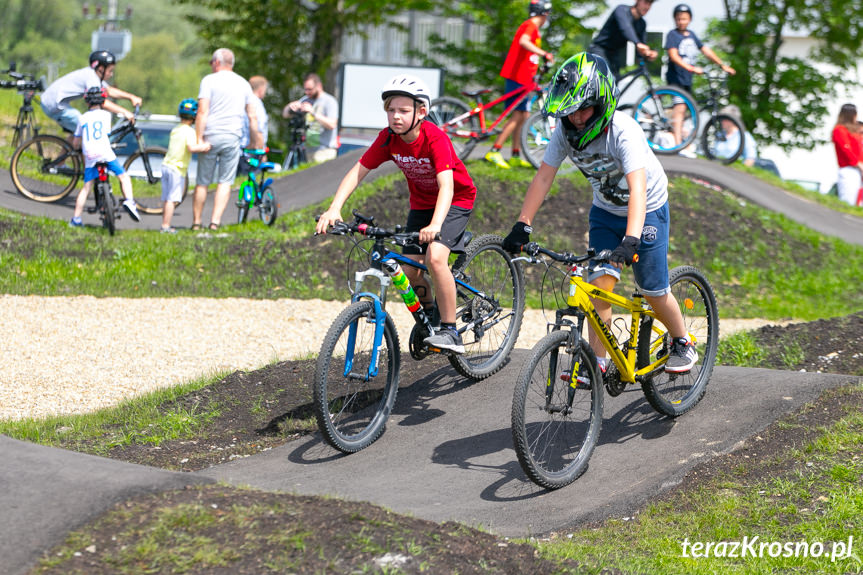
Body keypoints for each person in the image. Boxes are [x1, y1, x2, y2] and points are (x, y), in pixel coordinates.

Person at [502, 52, 697, 373]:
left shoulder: (623, 131)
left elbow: (638, 189)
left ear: (602, 101)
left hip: (647, 209)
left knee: (652, 288)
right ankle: (600, 361)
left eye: (583, 109)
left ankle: (682, 341)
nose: (576, 118)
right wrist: (523, 224)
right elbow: (544, 176)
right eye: (569, 112)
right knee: (598, 286)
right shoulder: (564, 132)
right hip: (605, 212)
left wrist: (632, 238)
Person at [315, 74, 477, 354]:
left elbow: (447, 186)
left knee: (436, 258)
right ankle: (432, 320)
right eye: (391, 110)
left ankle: (451, 333)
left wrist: (437, 224)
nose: (396, 116)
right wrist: (334, 208)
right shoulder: (388, 138)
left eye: (403, 111)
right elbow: (358, 171)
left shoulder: (434, 138)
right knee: (409, 271)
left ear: (421, 112)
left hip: (454, 201)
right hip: (421, 204)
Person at [192, 48, 263, 231]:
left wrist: (199, 139)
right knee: (225, 181)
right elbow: (252, 116)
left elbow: (202, 111)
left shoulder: (209, 81)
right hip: (233, 136)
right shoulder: (244, 84)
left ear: (216, 62)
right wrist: (255, 142)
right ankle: (215, 222)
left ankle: (197, 223)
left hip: (211, 136)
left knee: (202, 182)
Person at [484, 0, 554, 169]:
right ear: (544, 14)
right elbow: (523, 41)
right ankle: (494, 150)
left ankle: (515, 154)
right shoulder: (530, 25)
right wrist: (544, 53)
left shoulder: (534, 29)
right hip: (517, 77)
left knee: (523, 116)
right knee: (516, 116)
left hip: (524, 79)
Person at [665, 3, 735, 151]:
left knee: (686, 110)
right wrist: (691, 68)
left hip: (687, 80)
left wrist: (722, 65)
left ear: (689, 19)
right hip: (675, 78)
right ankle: (679, 145)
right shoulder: (673, 35)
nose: (681, 22)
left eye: (684, 19)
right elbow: (673, 56)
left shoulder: (692, 35)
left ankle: (683, 143)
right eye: (678, 19)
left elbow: (706, 51)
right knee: (680, 108)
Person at [69, 88, 141, 227]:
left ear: (87, 102)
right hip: (105, 152)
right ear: (102, 101)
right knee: (123, 177)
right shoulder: (106, 116)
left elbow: (76, 141)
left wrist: (77, 147)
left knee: (86, 188)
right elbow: (106, 133)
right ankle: (129, 202)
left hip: (90, 155)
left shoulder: (82, 118)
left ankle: (76, 219)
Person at [41, 51, 142, 136]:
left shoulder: (93, 75)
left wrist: (131, 97)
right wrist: (125, 112)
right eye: (110, 71)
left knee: (77, 135)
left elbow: (109, 91)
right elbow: (101, 102)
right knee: (87, 129)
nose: (111, 74)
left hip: (54, 102)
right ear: (101, 69)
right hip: (54, 104)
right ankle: (87, 159)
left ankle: (62, 159)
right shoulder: (92, 78)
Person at [159, 99, 211, 233]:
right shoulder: (189, 131)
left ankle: (165, 223)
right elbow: (191, 148)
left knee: (166, 198)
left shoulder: (176, 129)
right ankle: (165, 226)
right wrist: (204, 146)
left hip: (166, 165)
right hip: (177, 169)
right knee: (172, 199)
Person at [588, 0, 658, 79]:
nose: (647, 7)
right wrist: (638, 43)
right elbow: (625, 28)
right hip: (600, 49)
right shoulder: (621, 10)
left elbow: (642, 47)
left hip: (614, 54)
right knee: (605, 78)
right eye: (646, 2)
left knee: (615, 82)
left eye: (650, 4)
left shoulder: (642, 23)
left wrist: (647, 54)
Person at [283, 73, 339, 163]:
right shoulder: (306, 99)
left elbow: (332, 124)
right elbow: (285, 114)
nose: (307, 92)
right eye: (305, 89)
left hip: (325, 151)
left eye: (310, 89)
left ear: (319, 86)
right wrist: (291, 106)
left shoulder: (329, 101)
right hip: (308, 150)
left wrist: (312, 112)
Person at [831, 103, 863, 206]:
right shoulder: (839, 130)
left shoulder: (854, 132)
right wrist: (859, 165)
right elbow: (847, 150)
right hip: (849, 169)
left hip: (858, 170)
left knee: (857, 204)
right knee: (847, 202)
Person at [241, 75, 269, 149]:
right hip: (253, 148)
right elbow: (259, 129)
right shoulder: (257, 104)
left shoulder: (244, 101)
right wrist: (261, 151)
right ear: (261, 89)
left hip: (242, 147)